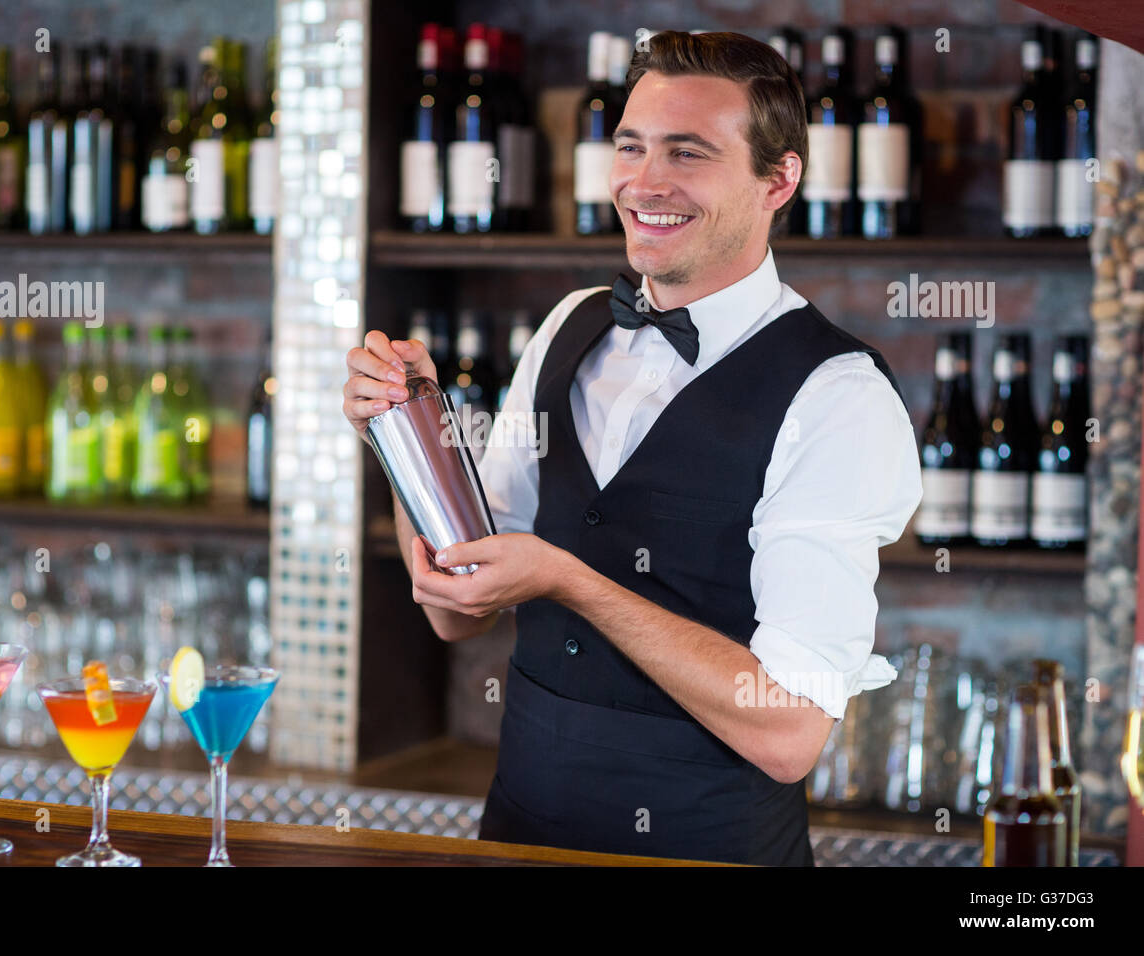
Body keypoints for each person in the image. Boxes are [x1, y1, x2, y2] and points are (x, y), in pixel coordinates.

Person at [342, 30, 922, 865]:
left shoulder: (838, 397)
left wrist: (573, 581)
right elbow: (453, 609)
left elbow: (791, 729)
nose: (645, 184)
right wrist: (403, 430)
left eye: (688, 153)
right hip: (518, 839)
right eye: (630, 146)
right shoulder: (568, 326)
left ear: (780, 178)